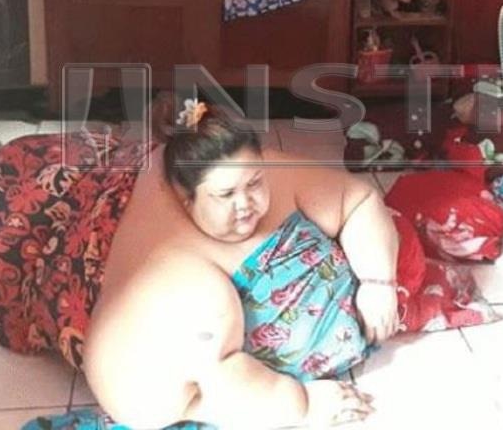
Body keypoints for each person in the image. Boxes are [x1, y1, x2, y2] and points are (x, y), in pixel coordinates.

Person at [84, 101, 400, 428]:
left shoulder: (269, 171)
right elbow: (141, 404)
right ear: (185, 197)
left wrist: (378, 284)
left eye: (254, 183)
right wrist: (303, 405)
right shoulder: (181, 281)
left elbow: (361, 199)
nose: (245, 204)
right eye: (226, 194)